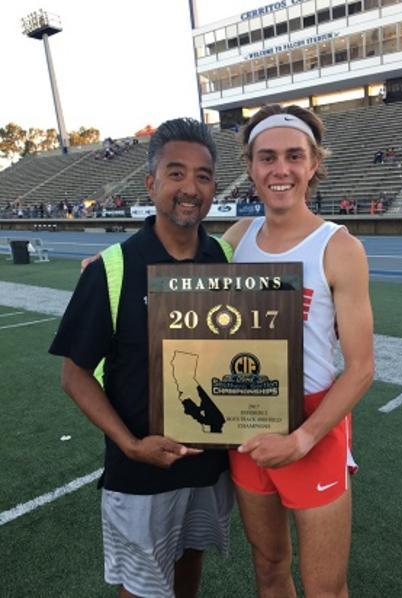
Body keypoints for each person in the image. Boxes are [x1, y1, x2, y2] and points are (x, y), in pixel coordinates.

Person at [50, 118, 234, 598]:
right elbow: (74, 375)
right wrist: (130, 445)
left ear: (214, 187)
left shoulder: (225, 259)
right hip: (140, 471)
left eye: (202, 176)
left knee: (190, 565)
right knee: (142, 587)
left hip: (209, 465)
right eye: (176, 173)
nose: (190, 188)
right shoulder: (112, 267)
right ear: (151, 183)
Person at [222, 104, 374, 597]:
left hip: (313, 424)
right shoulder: (237, 238)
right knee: (269, 568)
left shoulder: (339, 247)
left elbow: (361, 368)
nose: (280, 169)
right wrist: (111, 263)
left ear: (313, 164)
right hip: (247, 418)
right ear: (250, 167)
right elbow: (174, 273)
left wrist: (303, 439)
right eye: (267, 157)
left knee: (325, 587)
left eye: (294, 156)